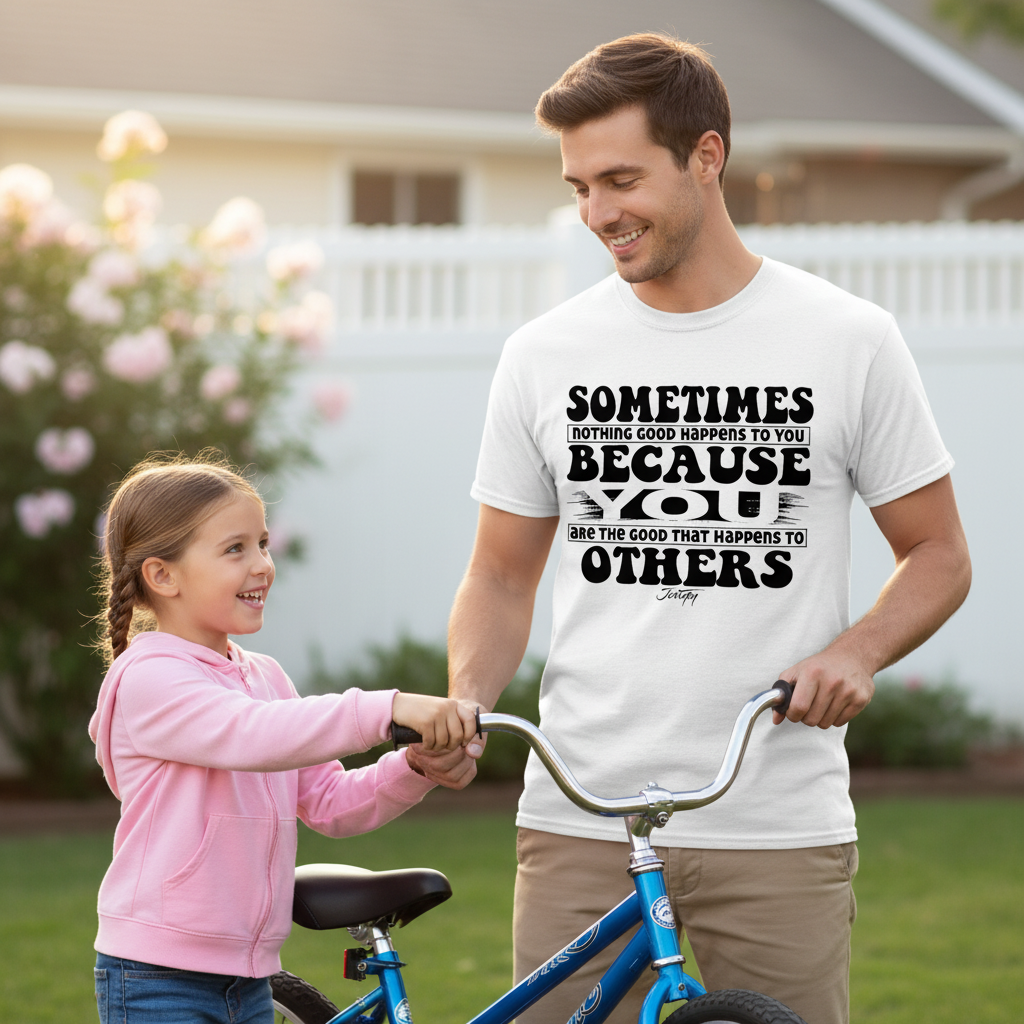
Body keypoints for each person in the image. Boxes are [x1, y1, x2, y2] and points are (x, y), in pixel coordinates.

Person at [441, 33, 972, 1024]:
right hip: (580, 818)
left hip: (773, 820)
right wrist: (466, 698)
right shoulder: (543, 354)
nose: (599, 213)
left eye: (620, 179)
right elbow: (502, 575)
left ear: (706, 156)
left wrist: (856, 650)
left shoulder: (846, 339)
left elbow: (937, 553)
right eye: (579, 188)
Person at [89, 455, 477, 1024]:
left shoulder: (265, 676)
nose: (263, 565)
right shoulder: (149, 678)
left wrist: (415, 767)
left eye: (263, 544)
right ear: (162, 575)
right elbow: (251, 734)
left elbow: (329, 803)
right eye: (235, 549)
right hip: (156, 975)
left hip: (250, 975)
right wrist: (384, 708)